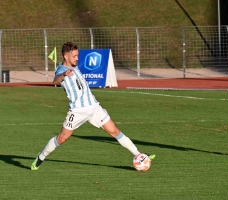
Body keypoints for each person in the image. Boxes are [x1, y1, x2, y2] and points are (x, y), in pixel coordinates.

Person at [31, 42, 155, 170]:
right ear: (65, 56)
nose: (77, 58)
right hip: (77, 111)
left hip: (94, 107)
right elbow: (55, 80)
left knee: (114, 131)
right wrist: (64, 75)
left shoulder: (75, 66)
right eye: (74, 56)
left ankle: (139, 155)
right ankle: (41, 157)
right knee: (62, 138)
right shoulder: (62, 70)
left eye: (77, 55)